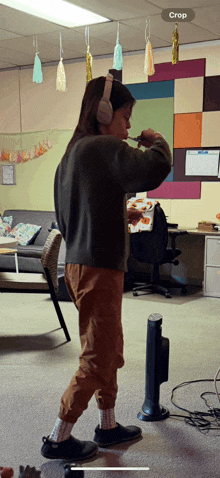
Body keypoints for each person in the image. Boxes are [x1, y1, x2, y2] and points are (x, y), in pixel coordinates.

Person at [41, 73, 172, 461]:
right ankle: (58, 436)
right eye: (126, 117)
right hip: (99, 269)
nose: (129, 126)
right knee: (99, 356)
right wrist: (157, 141)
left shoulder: (72, 155)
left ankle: (109, 425)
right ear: (103, 112)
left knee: (109, 348)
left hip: (80, 264)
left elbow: (71, 217)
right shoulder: (102, 146)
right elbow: (155, 168)